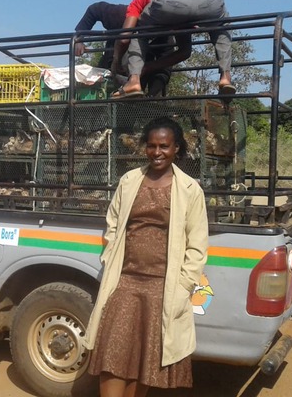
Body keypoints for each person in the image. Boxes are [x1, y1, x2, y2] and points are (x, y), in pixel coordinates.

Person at [83, 116, 209, 396]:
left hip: (162, 288)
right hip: (125, 282)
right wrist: (109, 257)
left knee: (145, 361)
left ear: (176, 148)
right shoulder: (130, 181)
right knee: (113, 355)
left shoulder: (190, 190)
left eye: (164, 146)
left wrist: (182, 286)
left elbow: (197, 247)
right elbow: (113, 224)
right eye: (151, 146)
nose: (157, 152)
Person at [110, 0, 234, 99]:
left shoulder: (136, 3)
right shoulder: (180, 19)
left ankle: (134, 81)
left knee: (139, 31)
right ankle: (226, 77)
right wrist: (148, 68)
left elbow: (124, 38)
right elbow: (184, 52)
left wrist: (116, 62)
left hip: (171, 0)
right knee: (222, 26)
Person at [74, 1, 176, 97]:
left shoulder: (166, 37)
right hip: (110, 68)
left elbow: (163, 71)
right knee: (102, 95)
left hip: (139, 76)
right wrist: (79, 38)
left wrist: (151, 95)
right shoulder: (123, 15)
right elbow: (95, 9)